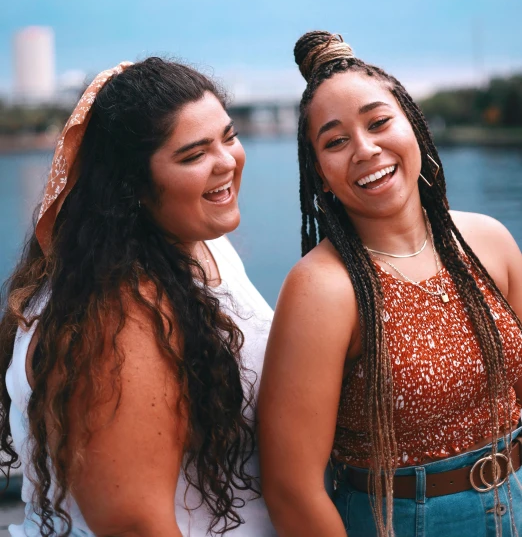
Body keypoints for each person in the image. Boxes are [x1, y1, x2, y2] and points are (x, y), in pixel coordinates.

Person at [258, 31, 522, 537]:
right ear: (318, 171)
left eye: (379, 122)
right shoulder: (322, 289)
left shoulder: (489, 241)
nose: (365, 149)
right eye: (335, 141)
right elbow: (292, 490)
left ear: (413, 126)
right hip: (406, 521)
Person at [0, 57, 277, 537]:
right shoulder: (115, 318)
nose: (228, 161)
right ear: (130, 185)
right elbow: (134, 526)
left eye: (228, 137)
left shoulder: (205, 244)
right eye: (194, 155)